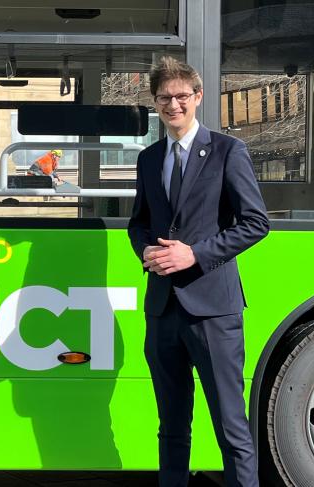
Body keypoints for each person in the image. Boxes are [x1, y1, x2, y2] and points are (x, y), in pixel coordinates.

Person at [127, 57, 269, 487]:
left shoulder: (228, 150)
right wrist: (148, 251)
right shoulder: (150, 158)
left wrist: (196, 255)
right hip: (162, 310)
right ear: (155, 103)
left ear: (198, 97)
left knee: (231, 428)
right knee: (170, 429)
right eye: (165, 98)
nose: (174, 105)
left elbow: (256, 222)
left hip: (214, 311)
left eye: (181, 96)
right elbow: (138, 222)